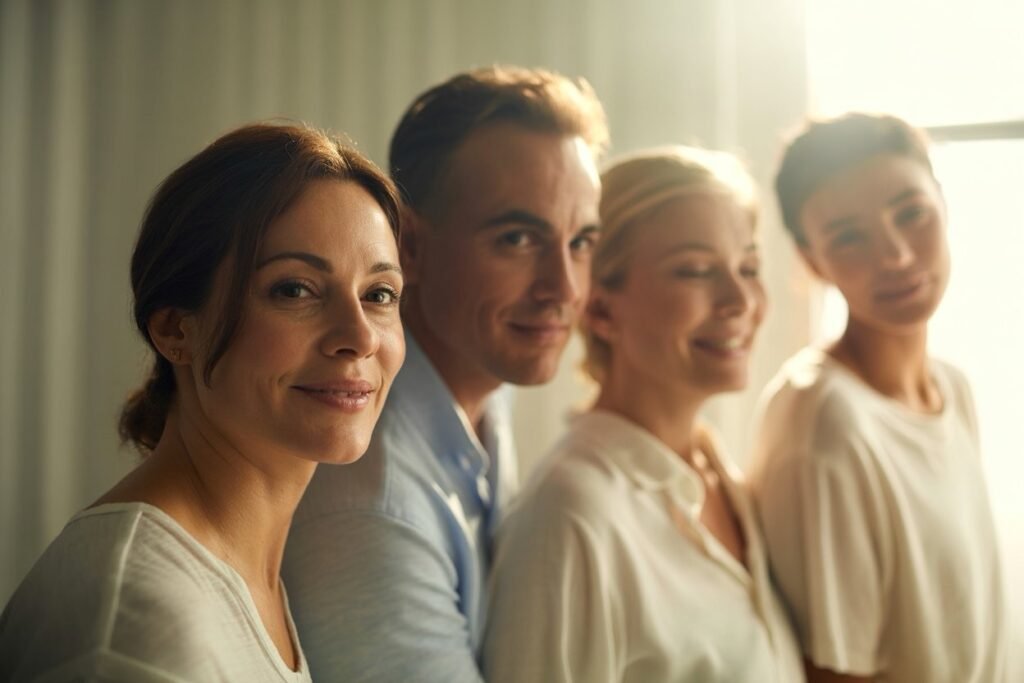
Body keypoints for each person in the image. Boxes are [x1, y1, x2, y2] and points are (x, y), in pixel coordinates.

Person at [0, 122, 405, 682]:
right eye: (294, 289)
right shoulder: (134, 631)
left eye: (379, 294)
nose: (359, 337)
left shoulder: (242, 579)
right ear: (174, 330)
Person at [281, 65, 608, 682]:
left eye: (581, 243)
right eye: (517, 238)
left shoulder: (484, 378)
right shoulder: (374, 510)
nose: (564, 289)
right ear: (410, 249)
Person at [483, 146, 805, 682]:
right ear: (601, 307)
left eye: (748, 267)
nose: (739, 300)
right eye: (697, 271)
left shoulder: (717, 469)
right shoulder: (570, 518)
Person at [749, 113, 1008, 682]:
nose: (894, 255)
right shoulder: (825, 425)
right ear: (813, 260)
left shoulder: (951, 388)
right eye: (848, 237)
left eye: (911, 214)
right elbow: (832, 674)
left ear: (943, 201)